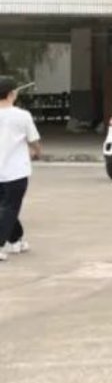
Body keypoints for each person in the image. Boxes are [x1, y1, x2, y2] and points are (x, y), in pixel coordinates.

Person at [0, 76, 40, 259]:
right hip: (15, 172)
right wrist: (37, 152)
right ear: (11, 94)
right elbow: (33, 140)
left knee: (7, 208)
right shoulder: (23, 116)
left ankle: (16, 240)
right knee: (10, 208)